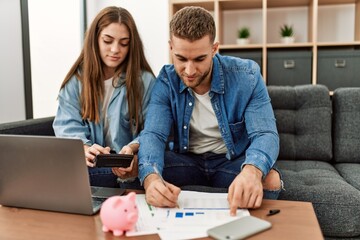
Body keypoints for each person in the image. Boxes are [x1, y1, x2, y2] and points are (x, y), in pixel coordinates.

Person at [137, 6, 282, 216]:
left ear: (214, 49)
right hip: (187, 160)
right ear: (171, 47)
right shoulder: (166, 80)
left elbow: (265, 134)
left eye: (199, 59)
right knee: (140, 170)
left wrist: (252, 170)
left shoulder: (247, 76)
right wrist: (151, 178)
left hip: (230, 161)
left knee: (270, 180)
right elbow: (153, 134)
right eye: (181, 58)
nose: (189, 70)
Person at [53, 6, 156, 187]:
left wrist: (133, 148)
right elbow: (67, 126)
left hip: (130, 168)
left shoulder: (145, 81)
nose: (115, 49)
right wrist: (83, 148)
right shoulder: (76, 80)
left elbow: (153, 130)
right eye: (108, 41)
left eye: (124, 43)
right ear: (95, 40)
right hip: (92, 168)